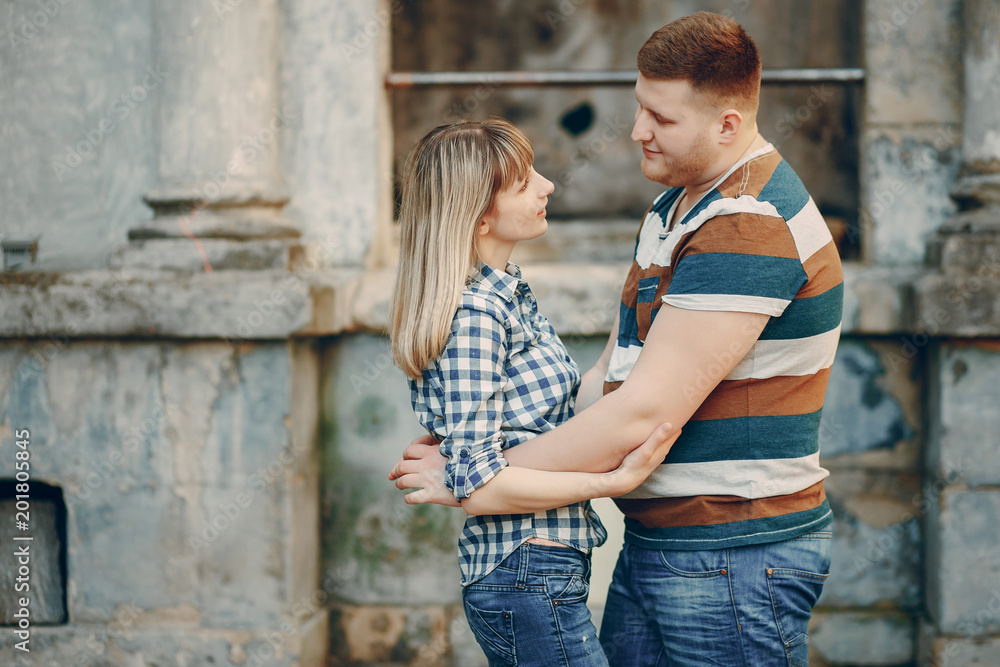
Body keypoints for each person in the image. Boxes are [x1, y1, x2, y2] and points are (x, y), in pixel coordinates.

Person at [391, 12, 844, 667]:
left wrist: (476, 477)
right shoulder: (673, 209)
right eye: (639, 106)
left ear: (727, 125)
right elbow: (608, 378)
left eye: (661, 117)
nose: (637, 130)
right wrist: (477, 452)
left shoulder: (748, 224)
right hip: (662, 544)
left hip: (732, 554)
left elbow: (640, 412)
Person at [387, 118, 680, 667]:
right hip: (524, 577)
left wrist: (650, 290)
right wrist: (610, 482)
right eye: (524, 183)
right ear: (478, 216)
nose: (547, 185)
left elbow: (574, 399)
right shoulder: (476, 317)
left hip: (541, 573)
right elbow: (478, 485)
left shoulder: (505, 297)